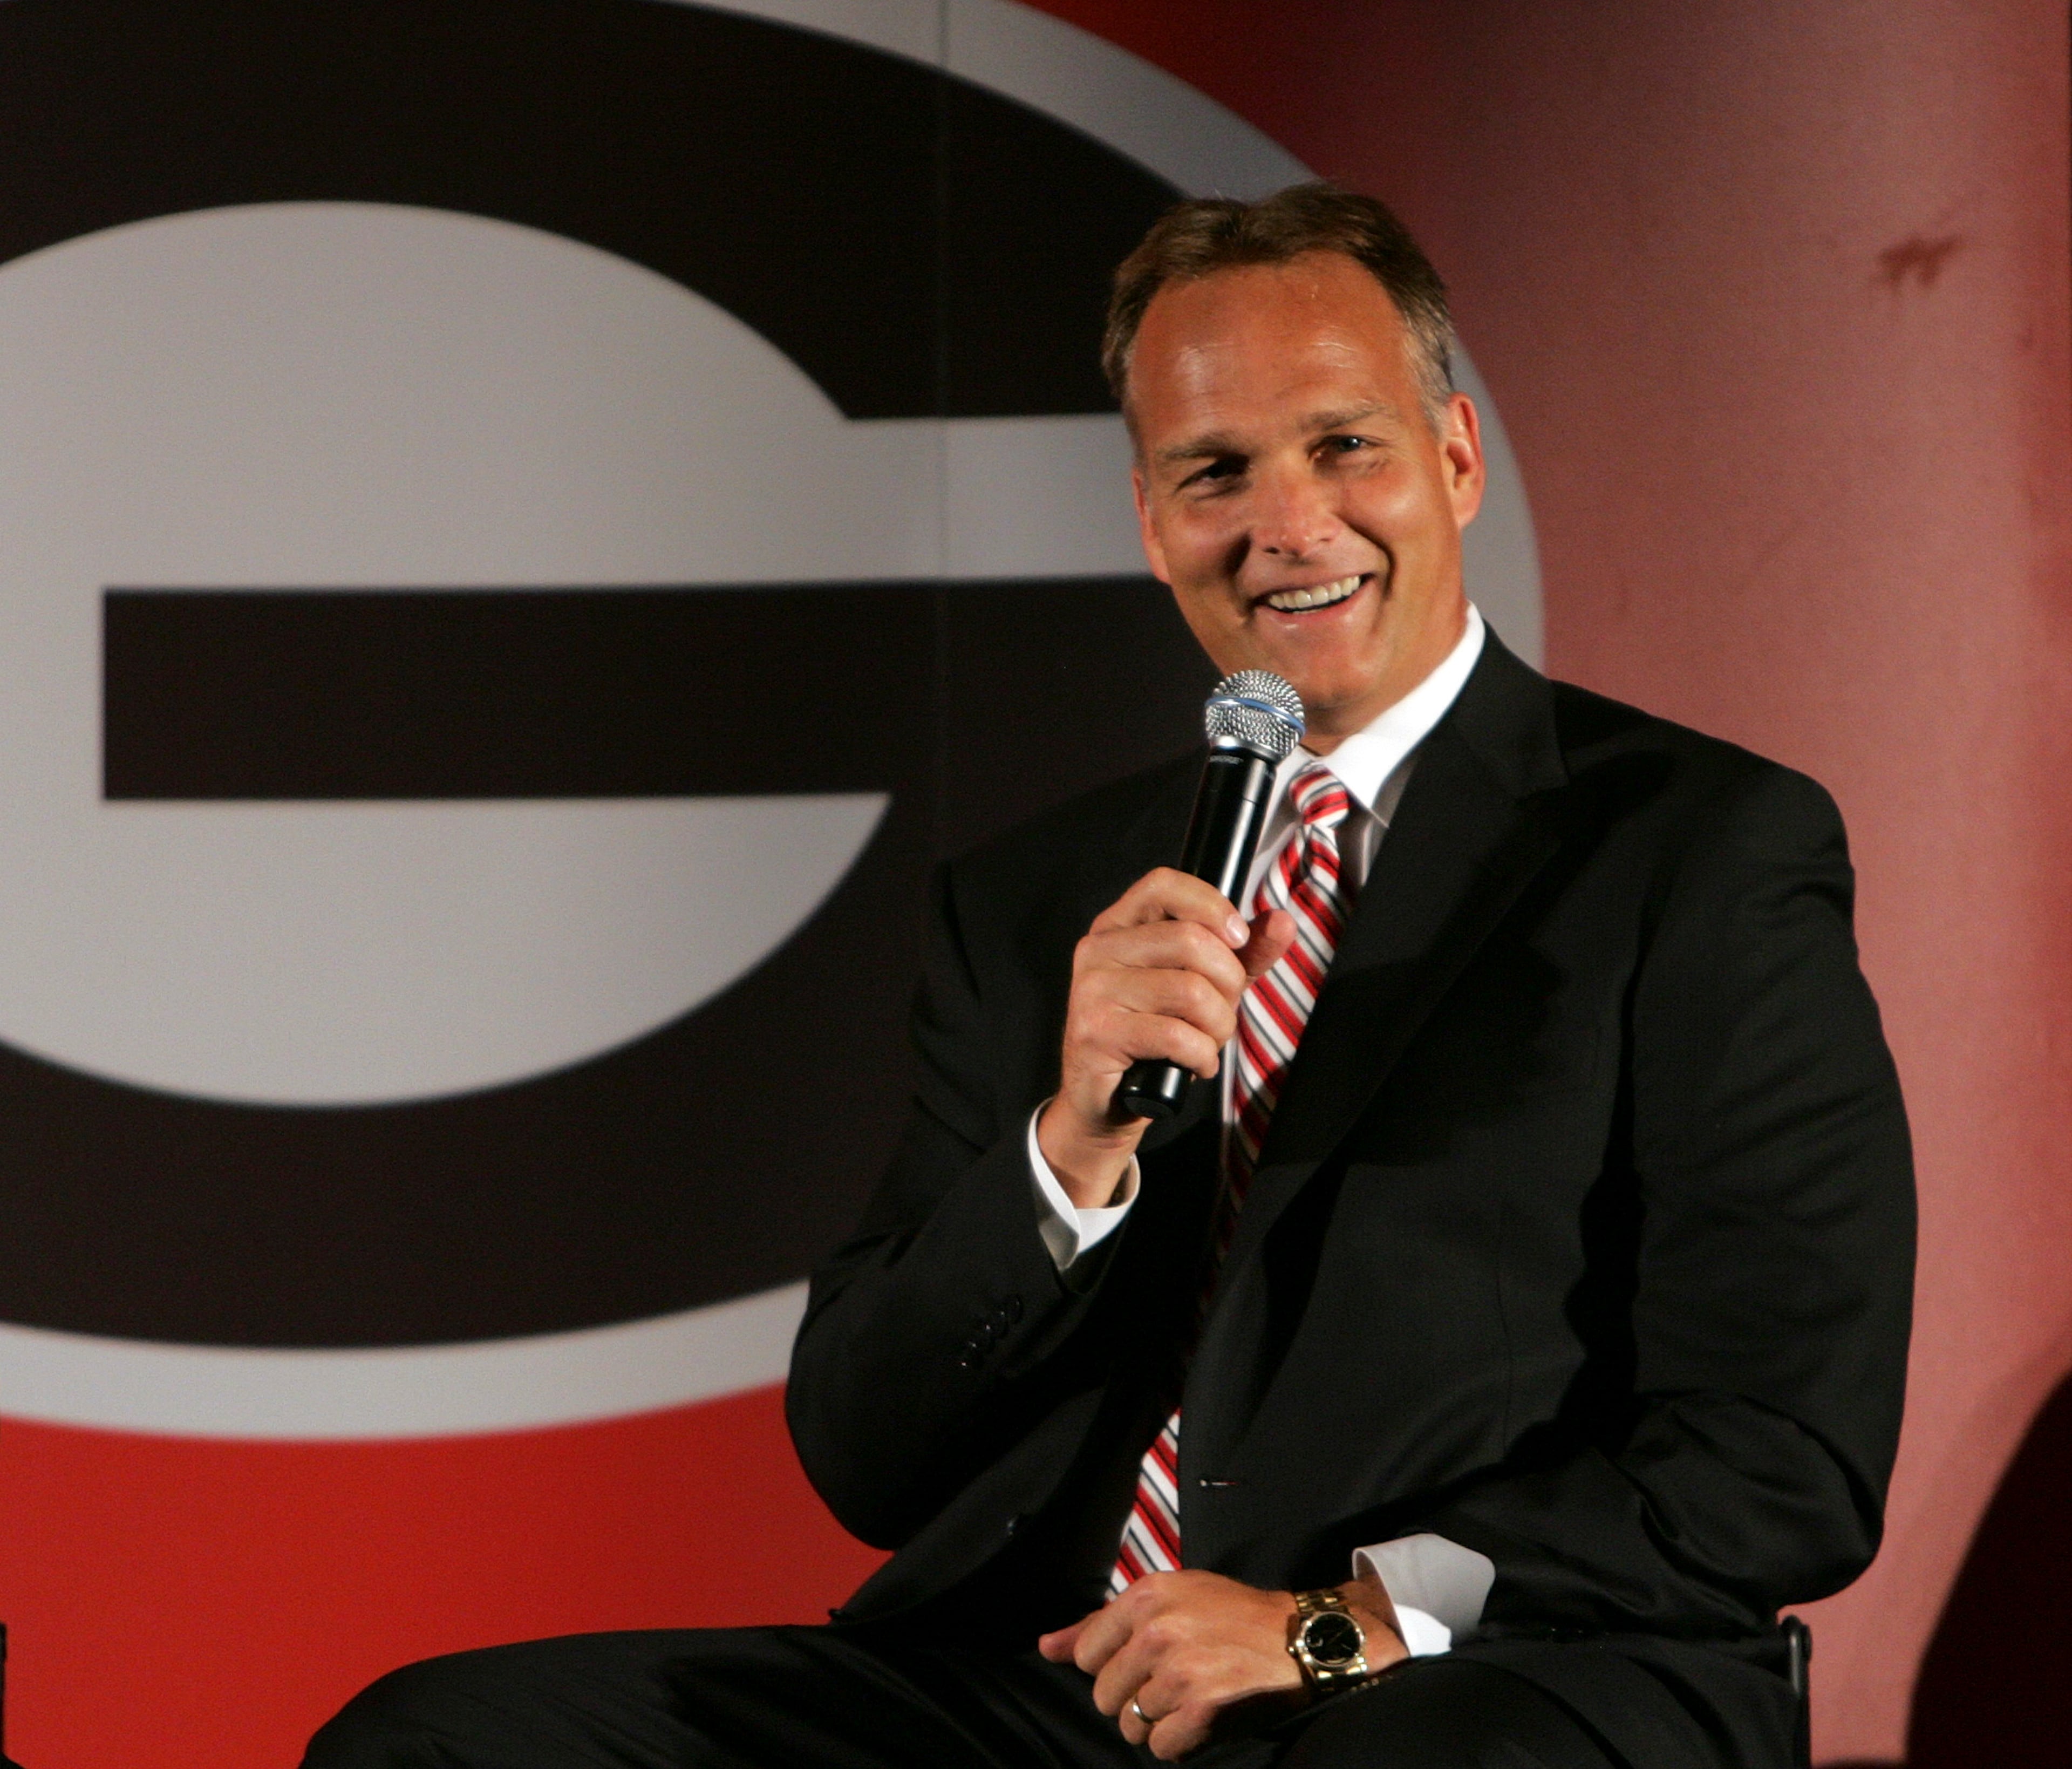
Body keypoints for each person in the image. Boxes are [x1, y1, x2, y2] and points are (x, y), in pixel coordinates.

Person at [304, 184, 1914, 1769]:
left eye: (1343, 445)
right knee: (441, 1742)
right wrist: (1066, 1154)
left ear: (1455, 458)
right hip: (1062, 1686)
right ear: (1154, 526)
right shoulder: (1036, 907)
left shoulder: (1696, 850)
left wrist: (1325, 1622)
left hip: (1486, 1676)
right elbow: (867, 1453)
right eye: (1217, 471)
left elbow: (1778, 1456)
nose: (1289, 523)